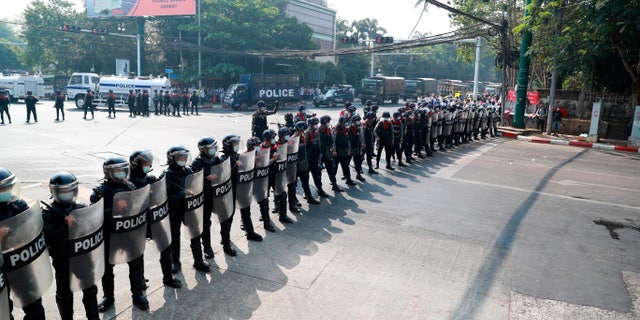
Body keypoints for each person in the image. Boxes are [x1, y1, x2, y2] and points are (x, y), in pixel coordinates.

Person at [90, 157, 149, 312]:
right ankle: (108, 297)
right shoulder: (100, 192)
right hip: (109, 236)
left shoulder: (130, 186)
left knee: (135, 266)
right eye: (117, 171)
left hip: (128, 234)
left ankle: (137, 295)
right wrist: (116, 208)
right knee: (107, 270)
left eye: (124, 170)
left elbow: (138, 207)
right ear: (108, 172)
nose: (121, 174)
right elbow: (95, 216)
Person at [42, 171, 100, 320]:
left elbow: (93, 229)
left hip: (83, 257)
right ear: (54, 192)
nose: (67, 194)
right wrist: (65, 227)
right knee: (64, 294)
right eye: (63, 192)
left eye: (70, 191)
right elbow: (47, 240)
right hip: (62, 261)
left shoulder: (81, 208)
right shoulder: (48, 214)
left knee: (90, 290)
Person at [128, 150, 182, 289]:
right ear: (137, 164)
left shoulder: (150, 179)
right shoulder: (128, 183)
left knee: (166, 247)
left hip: (155, 220)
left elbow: (163, 194)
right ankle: (139, 280)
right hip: (139, 223)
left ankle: (168, 277)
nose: (149, 165)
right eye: (146, 163)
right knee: (138, 254)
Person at [0, 167, 46, 319]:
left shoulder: (18, 205)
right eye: (3, 188)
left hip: (21, 263)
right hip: (1, 270)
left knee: (35, 307)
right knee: (4, 310)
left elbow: (32, 229)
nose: (8, 191)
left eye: (9, 187)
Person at [165, 146, 210, 273]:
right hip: (175, 211)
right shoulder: (167, 175)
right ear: (172, 159)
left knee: (195, 235)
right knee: (175, 237)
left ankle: (198, 261)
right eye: (180, 158)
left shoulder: (188, 171)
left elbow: (196, 185)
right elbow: (164, 196)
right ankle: (175, 262)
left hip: (190, 208)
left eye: (184, 157)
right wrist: (181, 194)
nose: (183, 160)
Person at [190, 137, 222, 259]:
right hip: (203, 197)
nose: (213, 150)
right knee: (205, 223)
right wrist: (205, 178)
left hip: (215, 195)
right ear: (203, 150)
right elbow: (192, 181)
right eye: (210, 148)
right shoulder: (197, 162)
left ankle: (226, 241)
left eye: (214, 147)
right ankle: (207, 247)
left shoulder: (216, 158)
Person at [293, 121, 320, 204]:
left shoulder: (303, 138)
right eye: (302, 131)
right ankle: (293, 199)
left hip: (303, 162)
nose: (304, 132)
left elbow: (306, 152)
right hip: (295, 165)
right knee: (293, 184)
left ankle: (309, 197)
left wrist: (311, 144)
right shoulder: (293, 139)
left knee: (305, 181)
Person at [305, 117, 331, 198]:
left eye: (316, 124)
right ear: (310, 125)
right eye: (314, 124)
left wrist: (319, 154)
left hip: (315, 156)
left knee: (317, 175)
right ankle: (306, 192)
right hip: (308, 157)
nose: (316, 125)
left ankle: (320, 189)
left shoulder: (316, 133)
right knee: (306, 176)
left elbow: (319, 144)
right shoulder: (306, 134)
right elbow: (304, 147)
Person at [259, 129, 279, 232]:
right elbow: (262, 164)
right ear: (267, 139)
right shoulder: (260, 149)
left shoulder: (274, 147)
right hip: (263, 177)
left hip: (273, 174)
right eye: (272, 138)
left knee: (279, 193)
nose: (274, 139)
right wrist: (273, 160)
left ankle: (279, 211)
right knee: (264, 200)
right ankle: (266, 222)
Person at [318, 115, 343, 192]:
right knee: (318, 173)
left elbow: (331, 142)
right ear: (323, 123)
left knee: (331, 170)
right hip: (320, 155)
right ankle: (319, 188)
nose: (328, 123)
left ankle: (334, 185)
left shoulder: (328, 130)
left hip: (327, 153)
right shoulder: (317, 132)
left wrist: (333, 150)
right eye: (327, 122)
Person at [334, 116, 356, 186]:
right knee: (334, 167)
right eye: (344, 122)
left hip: (344, 150)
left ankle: (348, 179)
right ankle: (333, 182)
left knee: (346, 166)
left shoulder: (346, 129)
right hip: (337, 151)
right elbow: (333, 141)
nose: (346, 123)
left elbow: (348, 140)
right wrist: (334, 150)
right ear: (340, 123)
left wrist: (349, 149)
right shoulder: (335, 129)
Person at [348, 115, 366, 181]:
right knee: (346, 163)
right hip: (350, 149)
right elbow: (348, 140)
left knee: (358, 162)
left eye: (359, 121)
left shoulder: (359, 129)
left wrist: (361, 147)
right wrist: (349, 149)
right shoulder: (349, 129)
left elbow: (360, 138)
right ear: (353, 122)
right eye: (357, 121)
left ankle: (358, 174)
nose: (358, 122)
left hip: (357, 148)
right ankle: (347, 177)